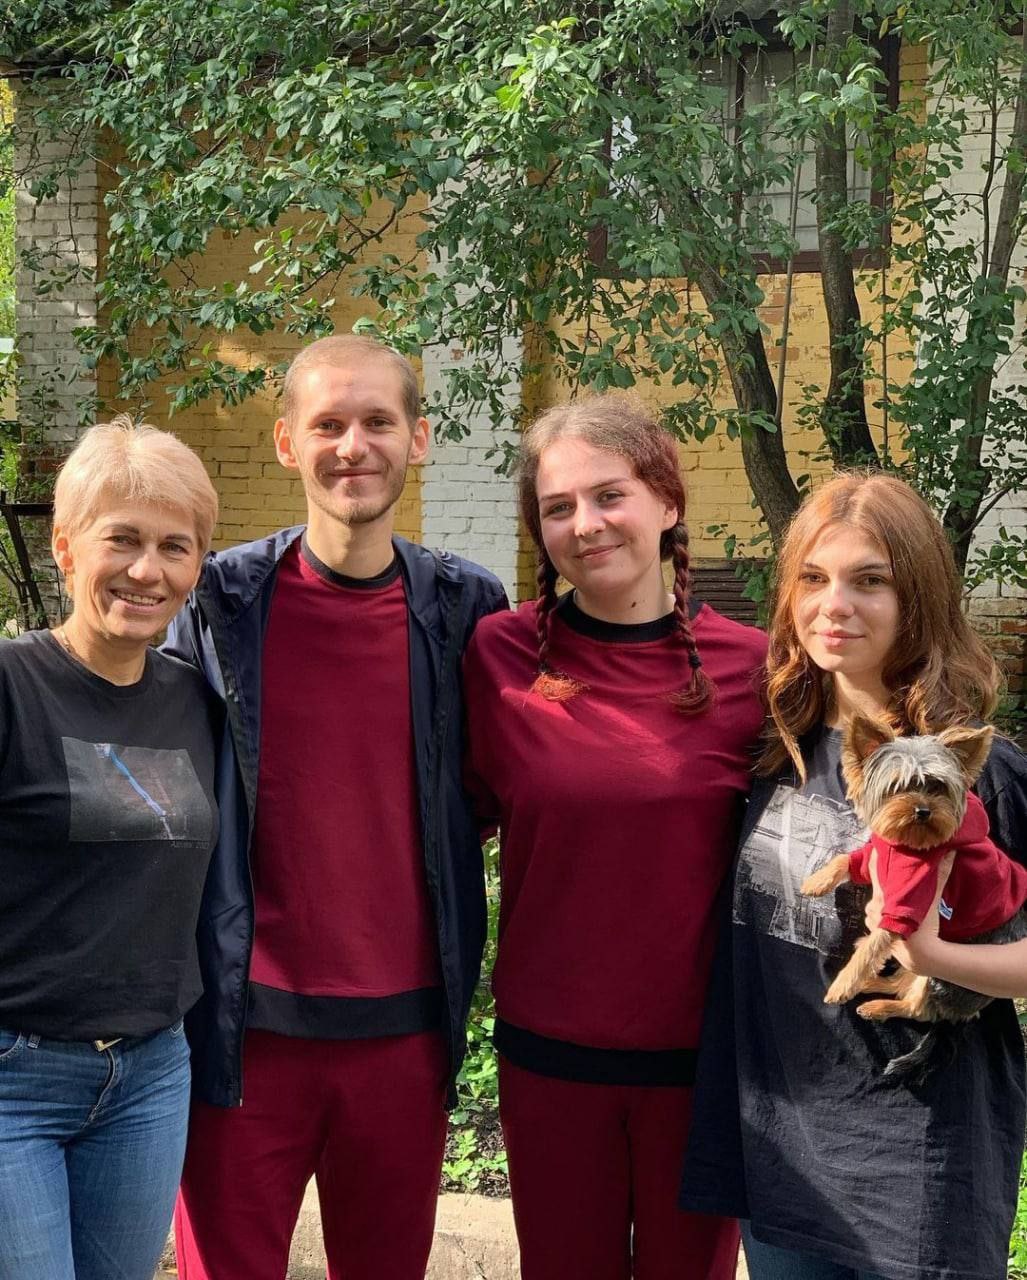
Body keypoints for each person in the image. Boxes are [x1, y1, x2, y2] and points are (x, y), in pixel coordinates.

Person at [167, 334, 507, 1280]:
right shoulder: (220, 604)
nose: (352, 446)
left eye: (377, 422)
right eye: (327, 424)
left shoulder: (467, 610)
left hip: (404, 1034)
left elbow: (498, 786)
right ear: (287, 443)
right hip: (243, 1030)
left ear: (418, 438)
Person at [680, 471, 1027, 1280]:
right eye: (813, 577)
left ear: (917, 597)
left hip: (921, 1165)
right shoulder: (773, 748)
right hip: (785, 1156)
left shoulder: (977, 771)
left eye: (868, 581)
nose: (833, 605)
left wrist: (932, 955)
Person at [462, 394, 768, 1280]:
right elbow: (446, 820)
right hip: (548, 1051)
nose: (585, 525)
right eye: (557, 508)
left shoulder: (756, 667)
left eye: (608, 496)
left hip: (701, 1060)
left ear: (666, 502)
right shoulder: (496, 656)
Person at [0, 417, 220, 1280]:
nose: (147, 570)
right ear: (65, 548)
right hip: (15, 1077)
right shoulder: (13, 686)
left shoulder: (198, 702)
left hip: (152, 1075)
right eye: (121, 539)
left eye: (174, 546)